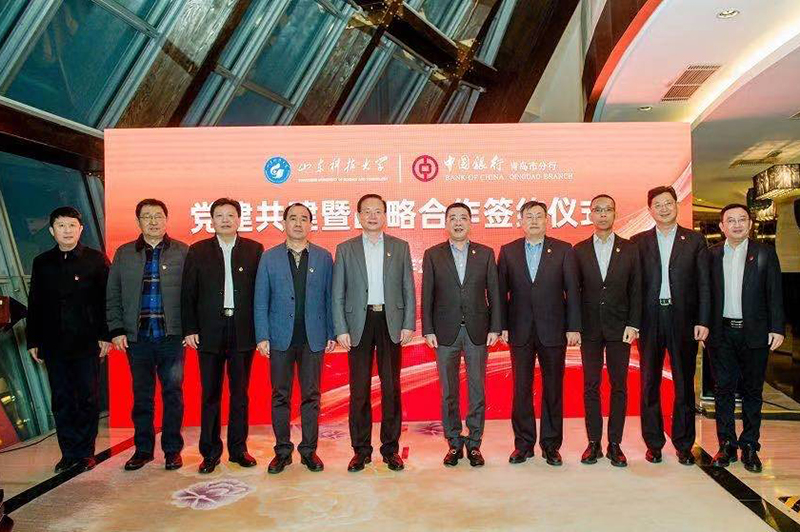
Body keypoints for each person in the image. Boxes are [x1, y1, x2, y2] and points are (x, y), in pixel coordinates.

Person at [332, 194, 415, 472]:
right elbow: (338, 292)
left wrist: (408, 323)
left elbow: (408, 287)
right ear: (358, 216)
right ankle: (361, 450)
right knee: (359, 390)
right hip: (359, 323)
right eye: (366, 211)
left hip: (390, 321)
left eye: (377, 211)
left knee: (391, 388)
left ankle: (390, 450)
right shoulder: (345, 249)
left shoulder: (400, 247)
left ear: (385, 216)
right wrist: (341, 328)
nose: (372, 216)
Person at [181, 198, 263, 474]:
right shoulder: (198, 250)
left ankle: (238, 450)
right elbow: (188, 293)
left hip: (242, 330)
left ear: (239, 219)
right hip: (209, 331)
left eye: (230, 215)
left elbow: (261, 293)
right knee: (211, 394)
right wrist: (190, 329)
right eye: (219, 215)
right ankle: (210, 452)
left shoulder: (254, 250)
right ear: (212, 220)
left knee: (240, 394)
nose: (225, 220)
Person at [26, 206, 110, 473]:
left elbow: (108, 300)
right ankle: (68, 452)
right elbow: (35, 302)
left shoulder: (96, 260)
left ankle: (85, 452)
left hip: (87, 342)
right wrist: (33, 339)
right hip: (53, 343)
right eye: (61, 226)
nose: (67, 230)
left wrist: (106, 335)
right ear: (52, 231)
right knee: (61, 399)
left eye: (72, 225)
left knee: (87, 398)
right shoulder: (42, 262)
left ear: (80, 229)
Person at [107, 198, 188, 471]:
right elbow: (113, 294)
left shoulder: (182, 252)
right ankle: (143, 450)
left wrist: (190, 329)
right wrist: (117, 329)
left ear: (166, 219)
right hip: (137, 337)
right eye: (146, 216)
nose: (153, 221)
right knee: (142, 396)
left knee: (173, 394)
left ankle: (172, 450)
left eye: (157, 216)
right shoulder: (124, 253)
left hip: (171, 337)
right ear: (138, 221)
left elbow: (192, 295)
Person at [254, 203, 336, 474]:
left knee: (311, 395)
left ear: (311, 224)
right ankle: (282, 451)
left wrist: (331, 332)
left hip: (313, 337)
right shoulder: (269, 257)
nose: (298, 223)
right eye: (293, 218)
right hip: (280, 337)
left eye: (304, 219)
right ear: (284, 223)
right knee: (281, 395)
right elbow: (260, 300)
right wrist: (262, 335)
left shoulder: (323, 257)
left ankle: (309, 451)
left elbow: (330, 298)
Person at [498, 200, 581, 467]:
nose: (534, 221)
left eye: (539, 216)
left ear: (547, 220)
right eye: (529, 216)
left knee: (553, 388)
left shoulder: (563, 250)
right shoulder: (508, 251)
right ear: (520, 221)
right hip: (519, 330)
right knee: (521, 388)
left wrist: (573, 327)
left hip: (553, 330)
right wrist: (501, 326)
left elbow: (572, 291)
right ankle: (523, 444)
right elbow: (500, 294)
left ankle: (551, 445)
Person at [631, 185, 709, 465]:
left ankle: (684, 443)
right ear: (650, 210)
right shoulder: (638, 241)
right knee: (649, 381)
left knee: (684, 382)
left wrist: (703, 320)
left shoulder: (695, 240)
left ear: (676, 205)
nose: (663, 209)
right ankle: (653, 443)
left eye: (668, 203)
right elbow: (633, 286)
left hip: (683, 319)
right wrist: (633, 322)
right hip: (649, 319)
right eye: (658, 205)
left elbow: (704, 284)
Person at [422, 202, 501, 467]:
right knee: (449, 392)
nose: (458, 222)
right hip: (445, 332)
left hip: (478, 331)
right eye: (453, 218)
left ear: (470, 223)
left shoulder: (485, 253)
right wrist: (428, 329)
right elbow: (427, 294)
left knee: (477, 389)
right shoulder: (433, 254)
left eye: (463, 218)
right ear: (446, 223)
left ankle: (475, 443)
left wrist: (495, 327)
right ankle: (454, 443)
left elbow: (495, 294)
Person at [707, 203, 784, 472]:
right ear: (722, 226)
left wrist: (777, 327)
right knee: (723, 389)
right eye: (731, 220)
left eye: (742, 219)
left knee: (752, 391)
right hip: (721, 333)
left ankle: (750, 445)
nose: (737, 224)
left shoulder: (764, 253)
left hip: (755, 333)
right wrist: (702, 325)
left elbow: (775, 293)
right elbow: (705, 294)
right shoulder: (712, 255)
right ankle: (727, 444)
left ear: (750, 224)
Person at [573, 194, 641, 467]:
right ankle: (593, 443)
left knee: (619, 386)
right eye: (598, 210)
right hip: (589, 329)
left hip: (620, 328)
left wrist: (633, 324)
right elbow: (573, 293)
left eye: (608, 210)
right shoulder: (578, 250)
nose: (603, 214)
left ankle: (615, 444)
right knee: (591, 386)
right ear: (591, 214)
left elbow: (636, 289)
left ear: (615, 214)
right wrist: (574, 326)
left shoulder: (630, 248)